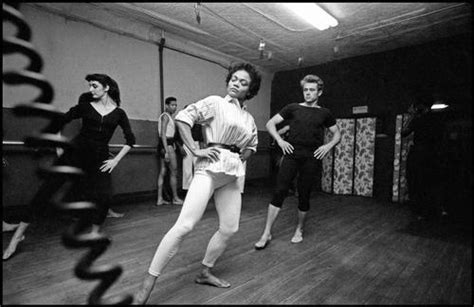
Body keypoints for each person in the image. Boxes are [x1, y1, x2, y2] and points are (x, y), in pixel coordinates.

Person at [135, 62, 261, 305]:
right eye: (234, 79)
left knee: (229, 228)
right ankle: (146, 286)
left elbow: (252, 146)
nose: (236, 83)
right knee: (185, 225)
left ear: (250, 90)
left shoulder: (249, 118)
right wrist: (194, 149)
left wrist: (239, 158)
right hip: (209, 170)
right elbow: (184, 118)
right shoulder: (216, 102)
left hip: (232, 174)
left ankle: (205, 272)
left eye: (243, 82)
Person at [3, 73, 136, 260]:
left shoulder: (119, 113)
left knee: (105, 197)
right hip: (73, 154)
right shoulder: (85, 106)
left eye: (94, 86)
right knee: (44, 193)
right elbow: (60, 120)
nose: (90, 89)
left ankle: (94, 233)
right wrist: (59, 144)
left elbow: (131, 140)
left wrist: (115, 160)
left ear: (106, 88)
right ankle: (17, 238)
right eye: (90, 85)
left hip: (98, 159)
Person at [254, 74, 340, 249]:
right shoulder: (293, 108)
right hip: (292, 153)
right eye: (305, 90)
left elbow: (337, 134)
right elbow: (271, 124)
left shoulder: (325, 113)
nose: (308, 93)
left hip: (312, 156)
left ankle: (299, 229)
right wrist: (280, 140)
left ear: (319, 92)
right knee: (280, 190)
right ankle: (266, 232)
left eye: (312, 90)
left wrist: (327, 146)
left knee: (304, 193)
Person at [401, 92, 446, 220]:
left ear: (418, 106)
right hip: (434, 154)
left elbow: (404, 132)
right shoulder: (438, 119)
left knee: (416, 182)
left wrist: (412, 115)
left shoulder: (418, 119)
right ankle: (436, 209)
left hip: (419, 154)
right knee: (431, 182)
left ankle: (419, 211)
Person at [156, 97, 184, 206]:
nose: (174, 107)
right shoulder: (165, 117)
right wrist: (167, 151)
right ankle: (175, 198)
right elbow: (163, 134)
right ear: (166, 106)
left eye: (176, 105)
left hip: (165, 145)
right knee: (174, 171)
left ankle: (160, 199)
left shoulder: (168, 117)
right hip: (167, 145)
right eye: (172, 105)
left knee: (163, 172)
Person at [180, 105, 204, 192]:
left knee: (198, 167)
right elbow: (178, 136)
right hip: (186, 144)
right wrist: (180, 147)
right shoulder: (182, 123)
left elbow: (201, 138)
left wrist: (201, 150)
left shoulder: (197, 124)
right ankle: (187, 189)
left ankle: (198, 188)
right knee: (187, 169)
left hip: (196, 144)